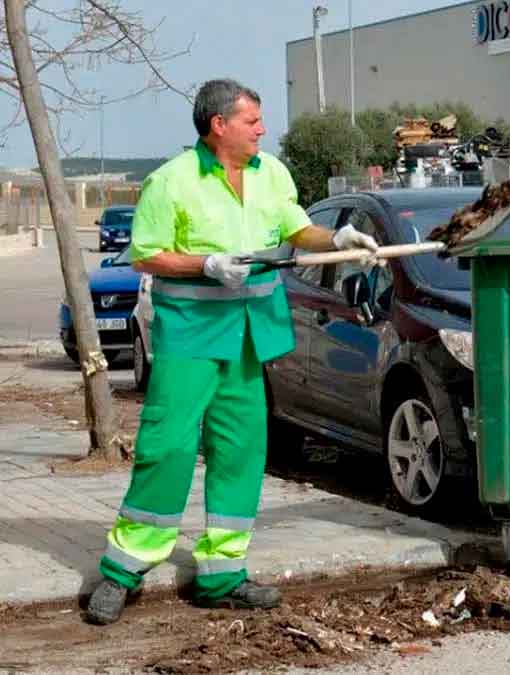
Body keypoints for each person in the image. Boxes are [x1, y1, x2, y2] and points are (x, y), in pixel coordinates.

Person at [85, 79, 380, 625]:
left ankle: (222, 574)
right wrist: (207, 264)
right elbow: (146, 256)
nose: (263, 129)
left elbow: (294, 229)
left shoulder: (272, 173)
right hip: (193, 333)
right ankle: (123, 570)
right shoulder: (169, 182)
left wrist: (336, 239)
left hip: (250, 334)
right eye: (252, 121)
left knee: (241, 452)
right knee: (168, 447)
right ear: (219, 126)